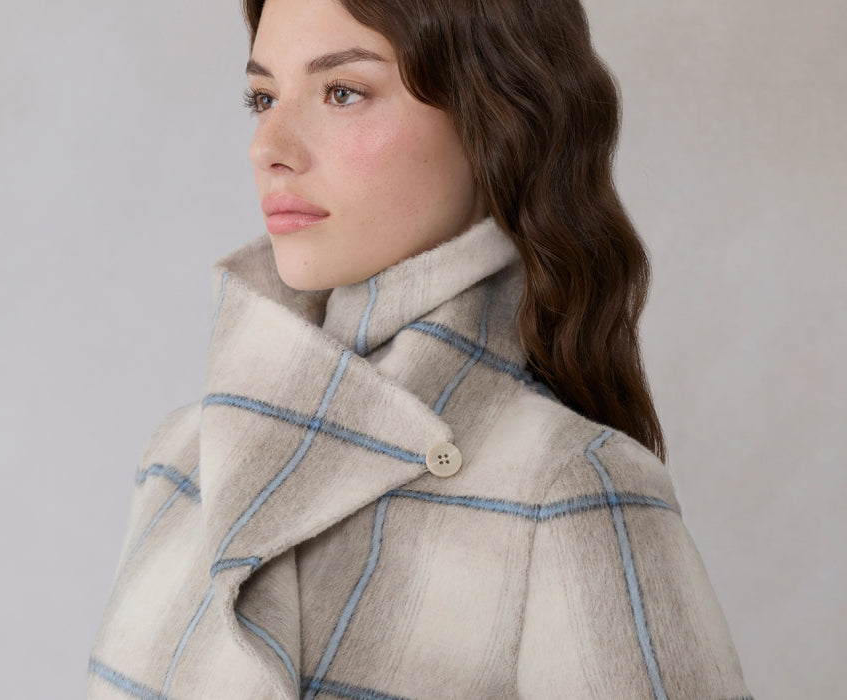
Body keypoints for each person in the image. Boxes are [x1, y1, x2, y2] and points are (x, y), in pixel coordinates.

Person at [87, 0, 753, 697]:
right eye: (263, 97)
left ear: (497, 119)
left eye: (342, 92)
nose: (268, 146)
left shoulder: (571, 490)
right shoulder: (182, 457)